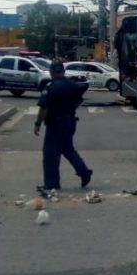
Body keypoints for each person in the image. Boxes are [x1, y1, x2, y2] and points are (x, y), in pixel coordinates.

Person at [34, 61, 92, 195]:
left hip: (56, 123)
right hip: (70, 121)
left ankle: (51, 184)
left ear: (52, 72)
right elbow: (79, 100)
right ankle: (84, 172)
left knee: (50, 153)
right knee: (67, 149)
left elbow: (44, 108)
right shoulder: (72, 85)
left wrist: (37, 124)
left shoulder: (51, 87)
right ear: (63, 71)